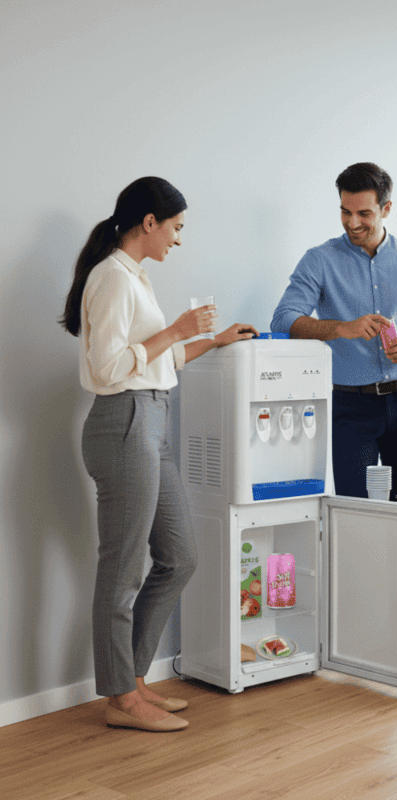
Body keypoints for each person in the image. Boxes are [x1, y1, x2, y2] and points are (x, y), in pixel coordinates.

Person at [59, 177, 258, 731]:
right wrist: (175, 330)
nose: (177, 238)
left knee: (180, 555)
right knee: (121, 571)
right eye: (175, 227)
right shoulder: (111, 279)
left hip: (149, 418)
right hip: (123, 422)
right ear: (149, 222)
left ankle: (135, 680)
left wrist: (211, 341)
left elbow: (153, 363)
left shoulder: (135, 278)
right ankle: (122, 699)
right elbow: (107, 369)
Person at [271, 162, 397, 499]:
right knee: (356, 507)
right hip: (350, 405)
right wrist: (342, 328)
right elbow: (283, 320)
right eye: (345, 211)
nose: (353, 223)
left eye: (364, 213)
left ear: (386, 209)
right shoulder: (319, 260)